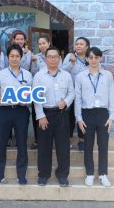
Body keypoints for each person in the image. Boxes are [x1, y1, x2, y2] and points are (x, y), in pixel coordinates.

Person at [33, 46, 75, 186]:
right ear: (45, 59)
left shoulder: (66, 75)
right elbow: (36, 97)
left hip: (62, 114)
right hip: (45, 114)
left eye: (55, 56)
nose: (52, 59)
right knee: (44, 147)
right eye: (49, 56)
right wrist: (40, 115)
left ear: (59, 58)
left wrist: (66, 102)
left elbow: (72, 93)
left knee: (63, 147)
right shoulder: (39, 75)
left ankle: (63, 175)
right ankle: (43, 175)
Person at [74, 47, 114, 187]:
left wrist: (112, 117)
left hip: (103, 114)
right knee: (88, 145)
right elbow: (78, 99)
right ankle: (90, 174)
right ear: (86, 59)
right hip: (87, 114)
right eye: (91, 57)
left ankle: (103, 174)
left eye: (96, 57)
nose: (93, 60)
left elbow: (112, 97)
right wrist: (79, 118)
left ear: (100, 59)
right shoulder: (80, 76)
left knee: (103, 145)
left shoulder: (108, 75)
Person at [0, 44, 32, 185]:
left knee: (22, 142)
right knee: (2, 143)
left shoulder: (28, 75)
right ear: (7, 57)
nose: (14, 59)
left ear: (21, 58)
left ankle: (21, 175)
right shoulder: (0, 74)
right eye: (12, 56)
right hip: (4, 111)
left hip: (21, 112)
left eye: (17, 56)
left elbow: (31, 94)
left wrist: (26, 101)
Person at [62, 37, 90, 151]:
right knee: (68, 116)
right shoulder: (70, 56)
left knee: (83, 115)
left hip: (85, 92)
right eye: (77, 44)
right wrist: (72, 63)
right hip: (70, 92)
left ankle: (82, 140)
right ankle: (67, 139)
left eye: (81, 44)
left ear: (87, 46)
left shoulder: (90, 58)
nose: (78, 46)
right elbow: (62, 71)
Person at [7, 29, 32, 147]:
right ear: (13, 40)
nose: (20, 41)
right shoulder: (9, 52)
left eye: (22, 39)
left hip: (23, 81)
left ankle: (19, 139)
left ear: (25, 40)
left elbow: (27, 66)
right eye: (17, 39)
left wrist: (26, 54)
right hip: (10, 83)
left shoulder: (28, 53)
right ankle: (8, 137)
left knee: (21, 118)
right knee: (7, 116)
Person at [30, 34, 51, 150]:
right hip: (39, 90)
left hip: (52, 90)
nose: (42, 46)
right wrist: (34, 62)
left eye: (44, 43)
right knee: (37, 114)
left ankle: (50, 139)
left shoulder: (55, 55)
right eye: (40, 44)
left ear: (48, 43)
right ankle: (38, 139)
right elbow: (33, 73)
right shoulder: (36, 57)